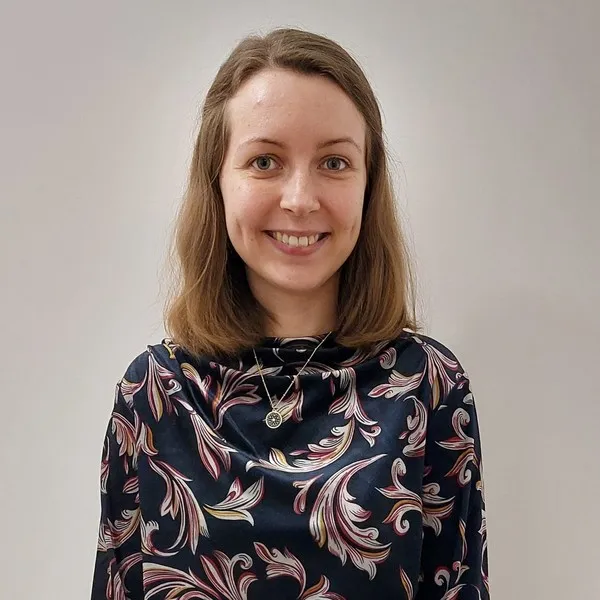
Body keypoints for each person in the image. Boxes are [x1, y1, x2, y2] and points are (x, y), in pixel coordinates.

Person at [91, 27, 489, 600]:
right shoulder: (153, 394)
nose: (300, 199)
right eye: (265, 161)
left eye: (334, 161)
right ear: (217, 181)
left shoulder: (428, 388)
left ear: (369, 184)